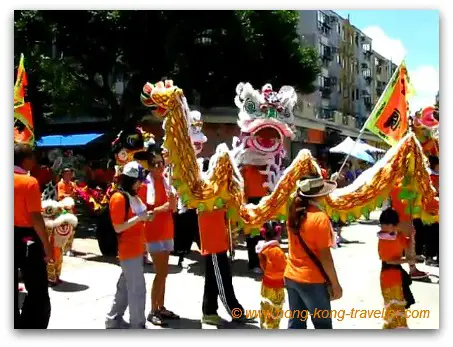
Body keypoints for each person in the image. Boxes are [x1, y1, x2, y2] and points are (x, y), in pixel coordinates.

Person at [285, 176, 342, 329]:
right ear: (319, 195)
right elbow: (325, 257)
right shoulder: (319, 218)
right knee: (322, 325)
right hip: (312, 280)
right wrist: (335, 284)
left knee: (296, 324)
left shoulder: (293, 214)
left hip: (292, 275)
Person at [105, 161, 153, 329]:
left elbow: (137, 218)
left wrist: (144, 218)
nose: (140, 183)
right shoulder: (119, 198)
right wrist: (140, 218)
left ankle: (113, 320)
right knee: (137, 290)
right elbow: (118, 227)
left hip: (137, 249)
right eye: (138, 180)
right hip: (128, 250)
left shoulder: (133, 196)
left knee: (125, 288)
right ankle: (137, 324)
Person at [14, 143, 53, 329]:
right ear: (26, 160)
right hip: (26, 237)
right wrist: (47, 245)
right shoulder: (29, 182)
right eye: (33, 157)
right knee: (37, 287)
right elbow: (36, 218)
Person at [141, 147, 179, 326]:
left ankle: (161, 306)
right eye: (154, 164)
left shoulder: (167, 183)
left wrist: (173, 203)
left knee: (164, 274)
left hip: (167, 230)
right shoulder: (145, 185)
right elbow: (143, 213)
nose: (158, 167)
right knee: (160, 272)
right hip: (153, 232)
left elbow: (173, 209)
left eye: (160, 163)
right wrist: (163, 208)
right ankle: (153, 310)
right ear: (149, 166)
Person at [198, 207, 254, 326]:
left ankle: (209, 312)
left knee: (213, 280)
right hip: (213, 243)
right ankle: (235, 312)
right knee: (223, 280)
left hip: (218, 240)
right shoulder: (204, 195)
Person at [378, 208, 418, 329]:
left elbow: (409, 250)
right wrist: (407, 261)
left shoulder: (397, 236)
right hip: (388, 275)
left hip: (396, 275)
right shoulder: (383, 239)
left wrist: (412, 237)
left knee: (397, 308)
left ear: (393, 226)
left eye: (386, 225)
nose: (383, 227)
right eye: (382, 224)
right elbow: (388, 260)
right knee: (394, 308)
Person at [389, 185, 428, 280]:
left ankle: (408, 269)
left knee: (404, 243)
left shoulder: (397, 180)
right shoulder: (402, 182)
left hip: (402, 216)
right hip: (402, 217)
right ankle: (412, 270)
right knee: (408, 243)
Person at [255, 222, 287, 329]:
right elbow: (282, 269)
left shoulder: (263, 249)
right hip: (276, 286)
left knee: (265, 309)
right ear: (278, 234)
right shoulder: (276, 251)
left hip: (266, 284)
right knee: (274, 314)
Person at [57, 167, 77, 256]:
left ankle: (68, 248)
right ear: (63, 174)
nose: (69, 175)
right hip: (63, 210)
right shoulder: (60, 184)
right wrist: (70, 195)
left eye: (70, 174)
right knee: (64, 229)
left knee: (72, 230)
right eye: (66, 174)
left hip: (71, 209)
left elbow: (76, 194)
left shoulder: (73, 184)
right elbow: (60, 196)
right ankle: (63, 248)